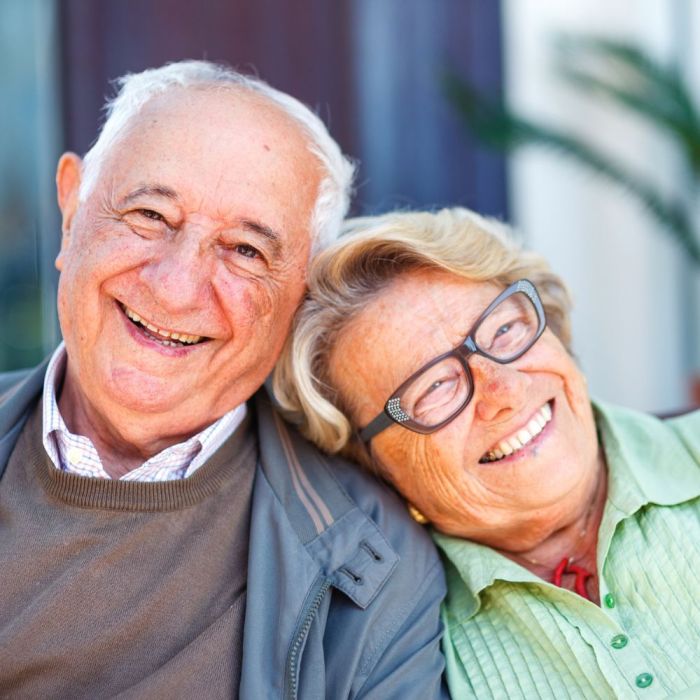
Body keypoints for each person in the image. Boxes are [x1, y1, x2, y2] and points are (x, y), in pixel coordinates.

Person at [0, 62, 448, 699]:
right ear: (71, 212)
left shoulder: (374, 567)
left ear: (302, 295)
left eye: (245, 250)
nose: (176, 287)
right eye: (150, 214)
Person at [274, 207, 700, 699]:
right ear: (374, 463)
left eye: (502, 330)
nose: (505, 390)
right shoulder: (403, 650)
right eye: (433, 385)